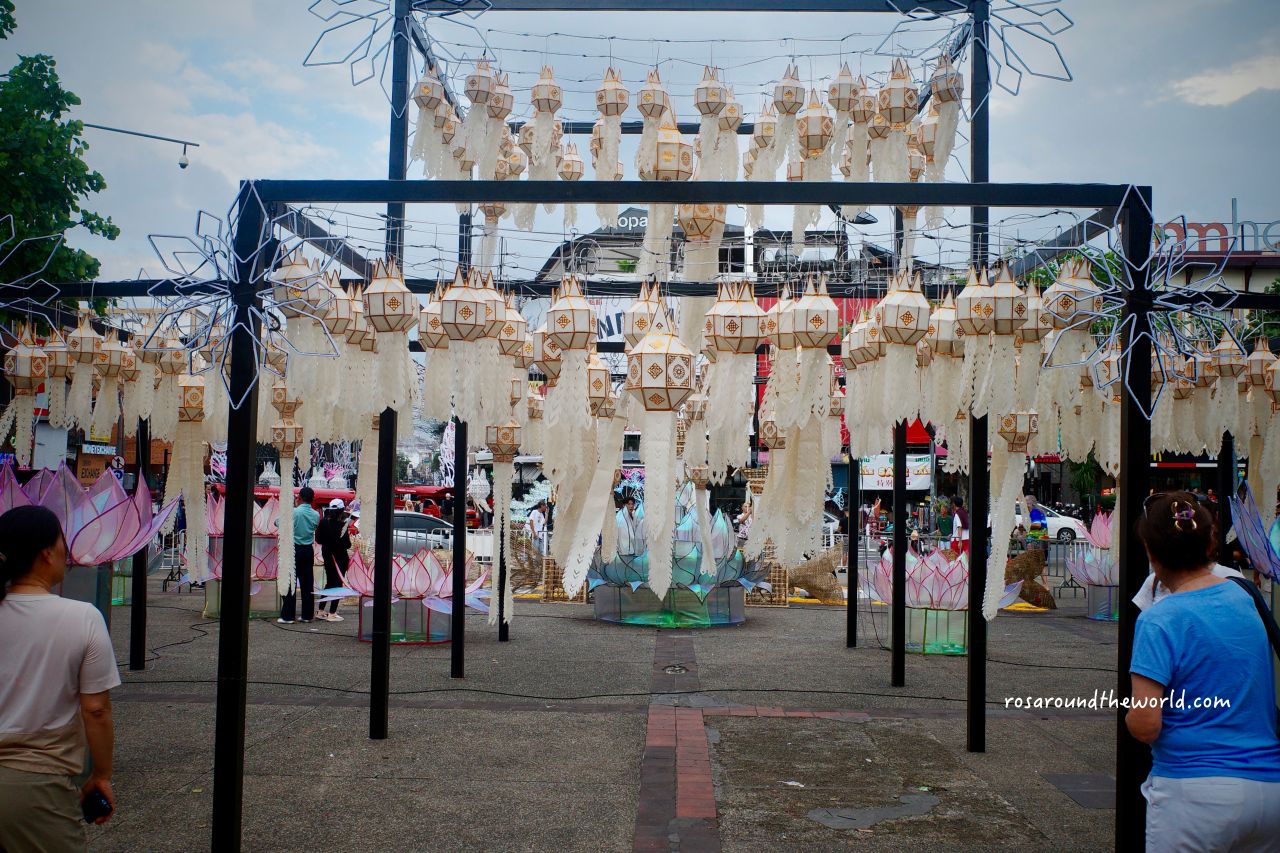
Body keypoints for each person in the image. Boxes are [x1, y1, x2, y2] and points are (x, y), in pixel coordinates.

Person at [1127, 492, 1280, 850]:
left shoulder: (1159, 619)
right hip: (1269, 788)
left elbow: (1146, 724)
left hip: (1194, 793)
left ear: (1150, 551)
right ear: (1212, 542)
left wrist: (1131, 717)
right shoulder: (1243, 597)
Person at [0, 506, 119, 850]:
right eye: (62, 541)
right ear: (46, 553)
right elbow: (95, 709)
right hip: (33, 789)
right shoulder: (81, 617)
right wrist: (101, 775)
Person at [279, 487, 320, 624]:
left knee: (291, 581)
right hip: (308, 550)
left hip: (294, 549)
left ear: (299, 498)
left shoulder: (294, 512)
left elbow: (278, 523)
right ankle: (307, 615)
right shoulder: (316, 515)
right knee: (307, 583)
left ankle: (288, 616)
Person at [314, 498, 352, 622]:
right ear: (341, 510)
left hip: (328, 556)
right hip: (340, 558)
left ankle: (320, 610)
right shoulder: (343, 525)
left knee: (330, 582)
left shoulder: (323, 522)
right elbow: (347, 544)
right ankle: (332, 612)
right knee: (338, 583)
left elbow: (319, 540)